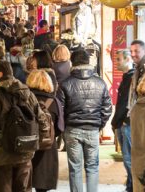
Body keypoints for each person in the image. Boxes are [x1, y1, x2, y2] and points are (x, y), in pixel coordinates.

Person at [0, 60, 47, 192]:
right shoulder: (28, 93)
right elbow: (42, 122)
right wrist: (32, 143)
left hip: (1, 156)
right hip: (25, 154)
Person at [60, 49, 112, 192]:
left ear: (72, 62)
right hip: (92, 129)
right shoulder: (100, 83)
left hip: (72, 130)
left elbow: (61, 110)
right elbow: (107, 108)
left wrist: (65, 127)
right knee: (92, 167)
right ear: (89, 62)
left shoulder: (65, 84)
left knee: (75, 168)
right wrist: (98, 124)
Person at [26, 69, 62, 192]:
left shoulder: (24, 100)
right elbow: (59, 127)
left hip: (27, 145)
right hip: (47, 147)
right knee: (42, 187)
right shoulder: (54, 102)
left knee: (24, 183)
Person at [111, 49, 134, 192]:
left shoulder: (133, 78)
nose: (116, 62)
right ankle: (130, 185)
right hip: (121, 123)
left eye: (119, 59)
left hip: (126, 124)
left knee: (129, 158)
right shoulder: (127, 77)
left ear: (128, 59)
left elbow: (131, 102)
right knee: (127, 159)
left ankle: (133, 186)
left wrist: (125, 120)